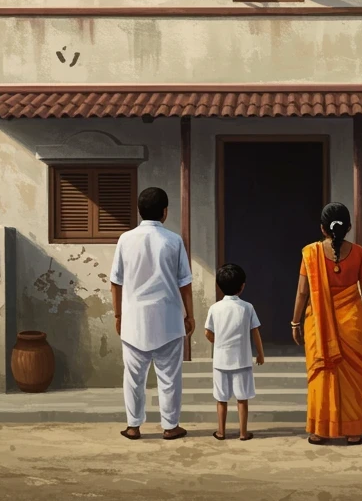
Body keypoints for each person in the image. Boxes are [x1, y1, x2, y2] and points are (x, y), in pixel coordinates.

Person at [291, 202, 362, 445]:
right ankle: (353, 432)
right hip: (353, 323)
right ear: (348, 227)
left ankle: (320, 430)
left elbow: (302, 293)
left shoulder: (310, 253)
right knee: (352, 378)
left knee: (322, 375)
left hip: (319, 325)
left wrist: (295, 322)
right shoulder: (359, 253)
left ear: (322, 228)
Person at [110, 186, 194, 441]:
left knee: (133, 378)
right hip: (168, 319)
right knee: (169, 377)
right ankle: (170, 426)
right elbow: (185, 283)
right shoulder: (174, 240)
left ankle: (133, 426)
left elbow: (116, 282)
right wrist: (189, 315)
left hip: (134, 320)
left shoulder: (125, 239)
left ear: (139, 211)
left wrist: (117, 315)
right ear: (165, 212)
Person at [204, 262, 265, 441]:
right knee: (242, 398)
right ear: (242, 286)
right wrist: (260, 354)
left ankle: (221, 432)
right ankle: (243, 433)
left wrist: (219, 343)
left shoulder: (215, 308)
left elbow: (208, 333)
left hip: (221, 361)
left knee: (221, 399)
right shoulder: (248, 307)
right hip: (242, 360)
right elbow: (255, 332)